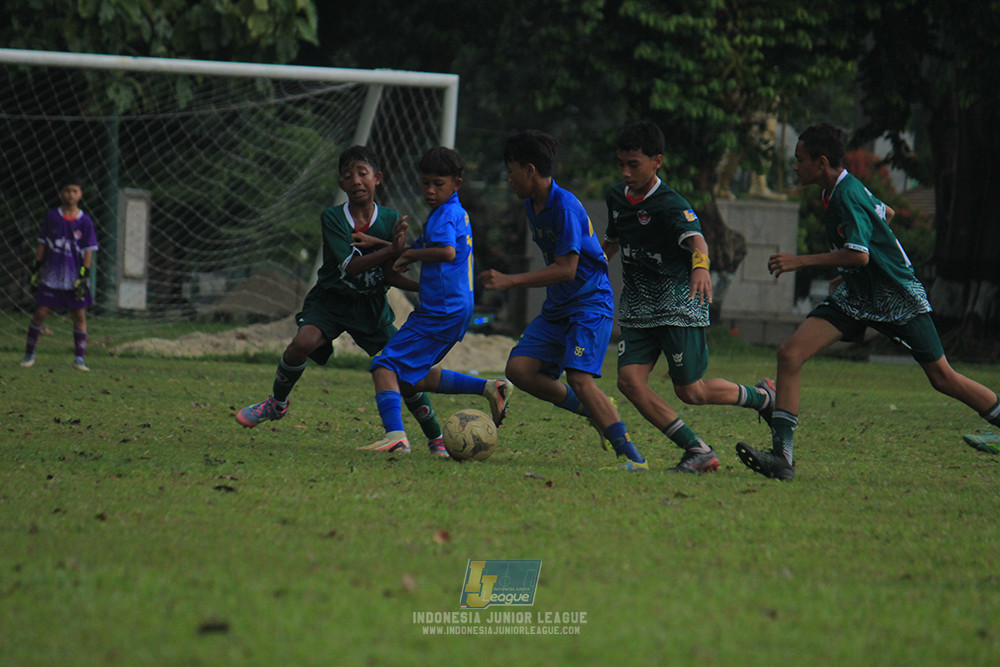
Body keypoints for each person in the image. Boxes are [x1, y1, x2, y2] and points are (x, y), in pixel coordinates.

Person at [736, 123, 1000, 481]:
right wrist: (848, 275)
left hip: (896, 297)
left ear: (822, 161)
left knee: (942, 377)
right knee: (790, 353)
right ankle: (782, 458)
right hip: (857, 296)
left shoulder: (846, 194)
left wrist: (802, 261)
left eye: (800, 160)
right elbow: (885, 214)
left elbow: (859, 255)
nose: (795, 167)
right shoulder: (837, 190)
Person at [236, 145, 452, 457]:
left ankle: (436, 439)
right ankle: (277, 403)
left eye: (362, 173)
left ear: (377, 178)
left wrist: (422, 287)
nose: (356, 180)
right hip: (330, 302)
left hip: (371, 309)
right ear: (342, 185)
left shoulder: (391, 219)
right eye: (348, 175)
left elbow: (390, 274)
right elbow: (350, 266)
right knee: (301, 343)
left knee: (404, 372)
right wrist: (392, 249)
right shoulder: (334, 218)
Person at [604, 121, 775, 473]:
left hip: (678, 305)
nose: (625, 172)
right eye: (621, 163)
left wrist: (700, 268)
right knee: (628, 382)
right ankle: (697, 449)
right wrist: (584, 269)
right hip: (638, 307)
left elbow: (697, 240)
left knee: (691, 392)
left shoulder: (671, 204)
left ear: (657, 162)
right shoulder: (616, 198)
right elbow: (611, 242)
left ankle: (763, 398)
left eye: (633, 164)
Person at [480, 130, 647, 472]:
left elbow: (568, 269)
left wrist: (511, 281)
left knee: (579, 378)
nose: (508, 180)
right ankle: (592, 408)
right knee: (519, 370)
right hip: (559, 305)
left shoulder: (566, 207)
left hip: (588, 303)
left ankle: (631, 456)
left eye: (510, 172)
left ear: (529, 170)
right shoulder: (531, 205)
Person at [363, 146, 511, 454]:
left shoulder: (445, 215)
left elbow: (446, 252)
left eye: (438, 184)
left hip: (441, 310)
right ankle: (488, 387)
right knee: (411, 377)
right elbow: (419, 247)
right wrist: (386, 245)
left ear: (456, 184)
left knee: (384, 365)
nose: (430, 190)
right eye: (425, 183)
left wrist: (412, 255)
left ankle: (395, 436)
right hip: (454, 309)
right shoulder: (452, 212)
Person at [22, 173, 98, 371]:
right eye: (67, 191)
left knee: (79, 315)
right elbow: (42, 245)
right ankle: (29, 355)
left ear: (80, 194)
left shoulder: (85, 222)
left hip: (74, 277)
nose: (70, 195)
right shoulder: (52, 217)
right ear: (60, 193)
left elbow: (87, 253)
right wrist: (36, 268)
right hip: (52, 275)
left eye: (74, 191)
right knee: (40, 312)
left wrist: (83, 276)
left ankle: (79, 359)